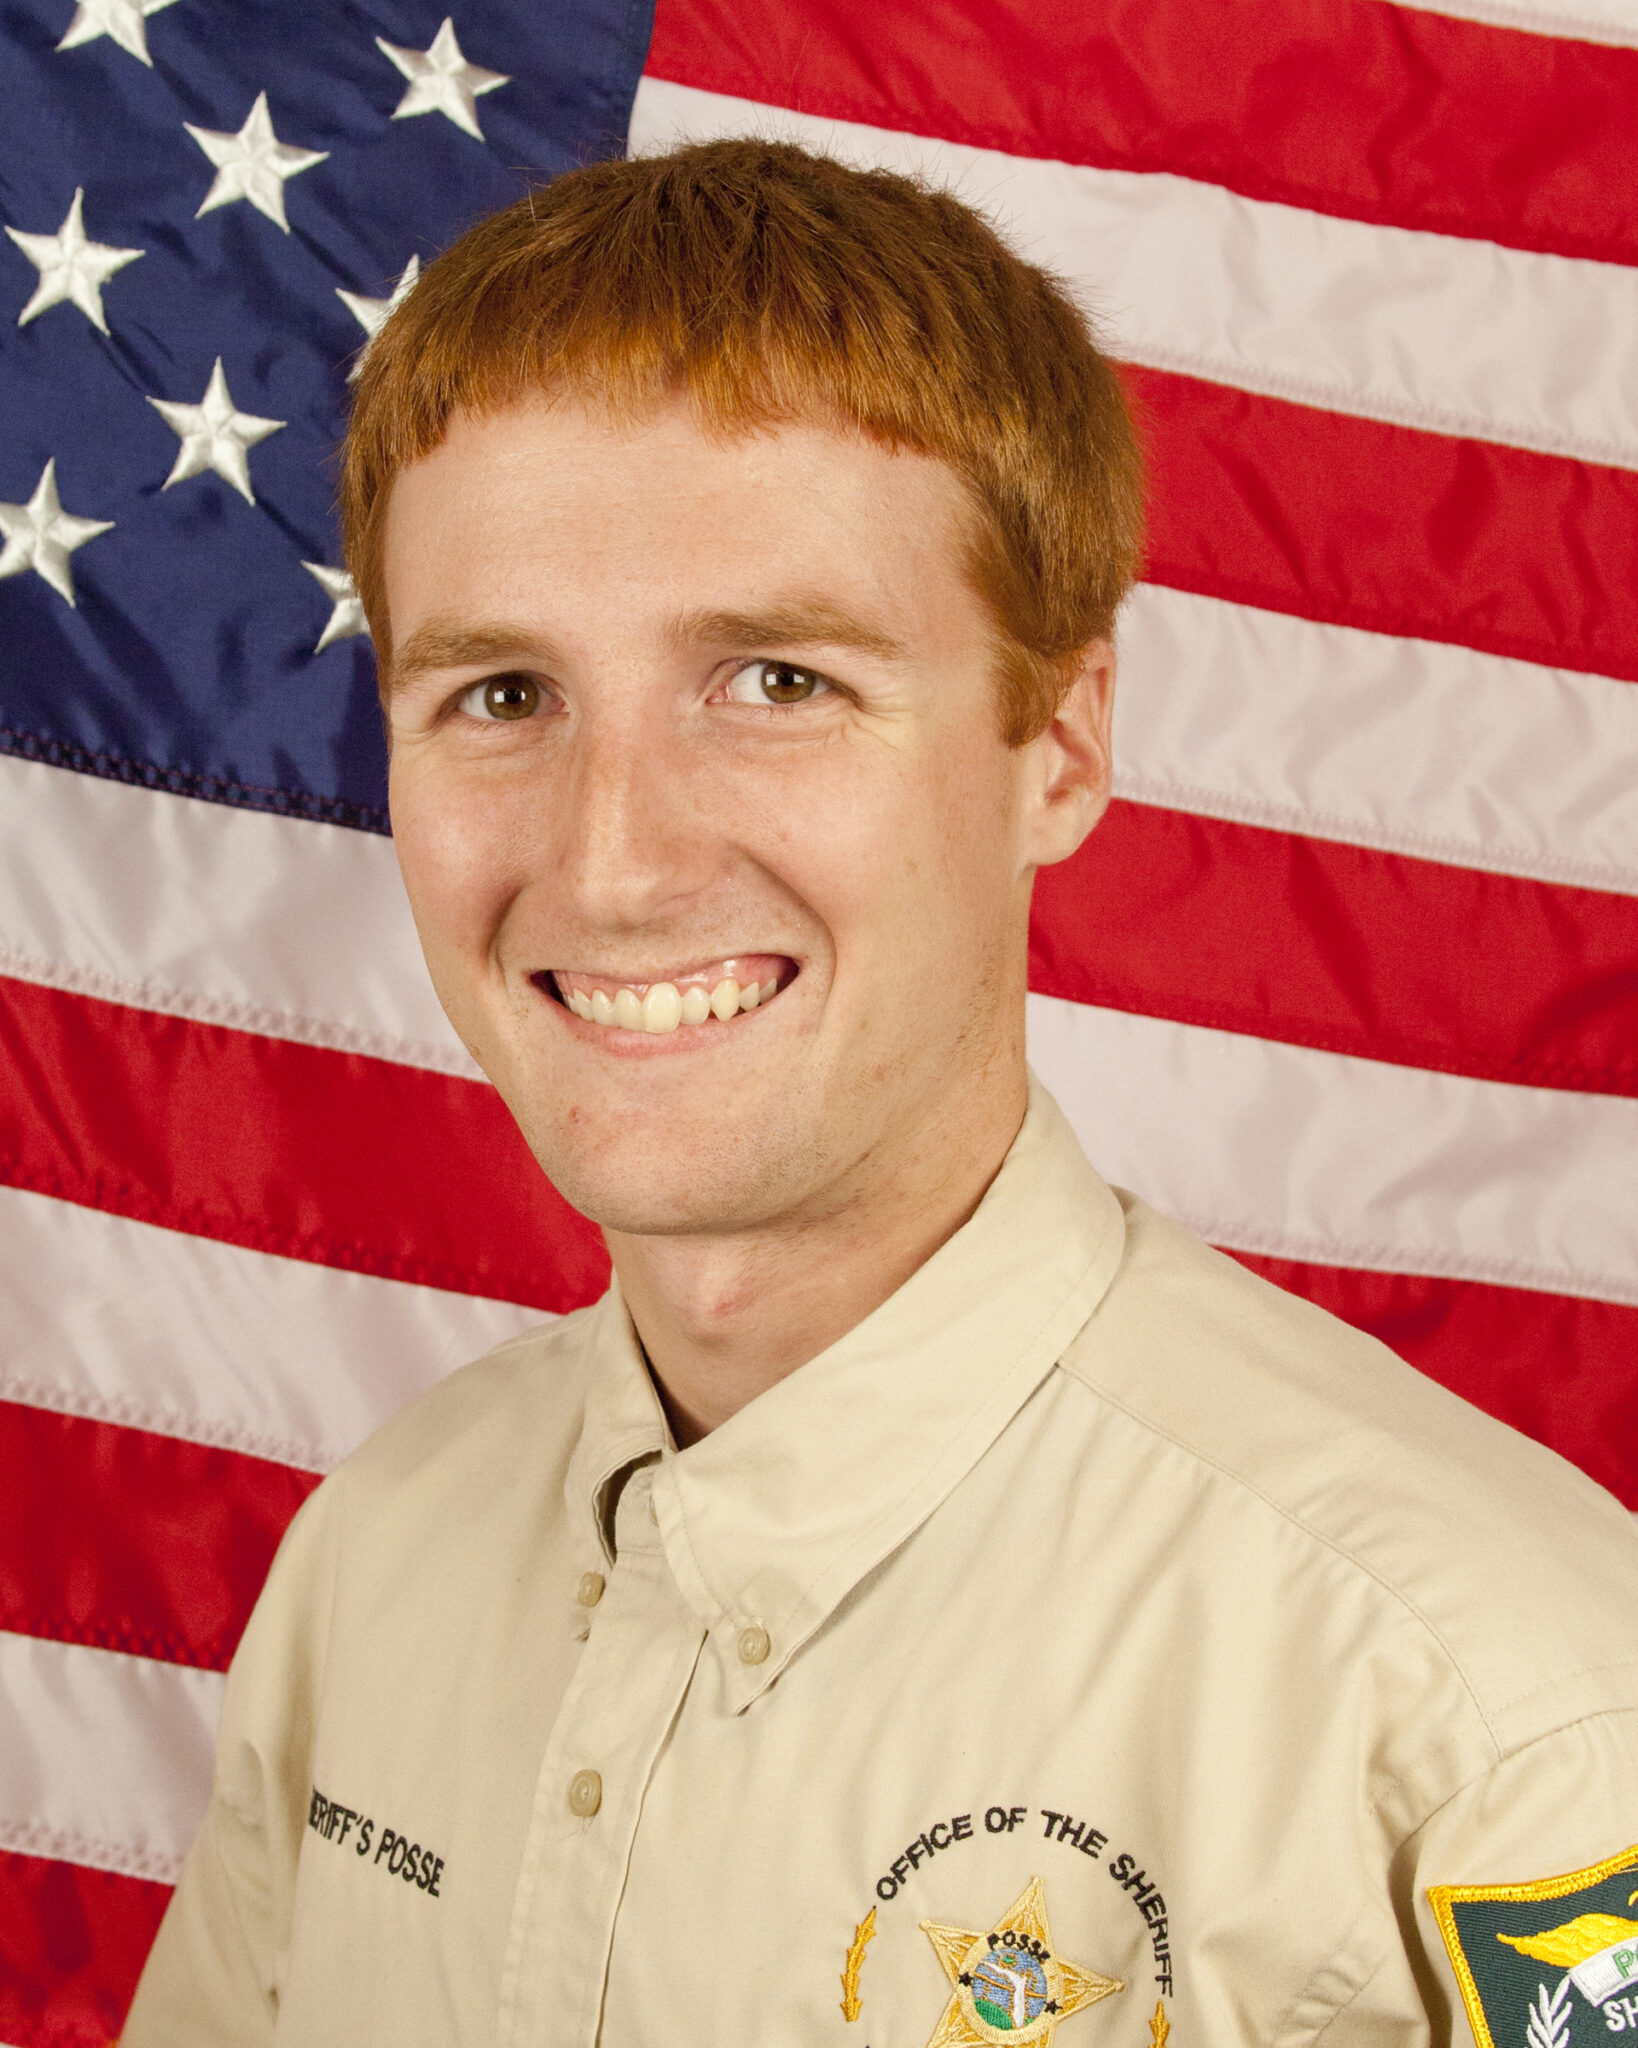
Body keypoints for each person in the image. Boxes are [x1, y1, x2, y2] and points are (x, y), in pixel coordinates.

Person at [124, 139, 1638, 2048]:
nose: (609, 864)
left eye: (776, 681)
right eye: (500, 696)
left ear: (1056, 747)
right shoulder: (380, 1557)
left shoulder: (1485, 1723)